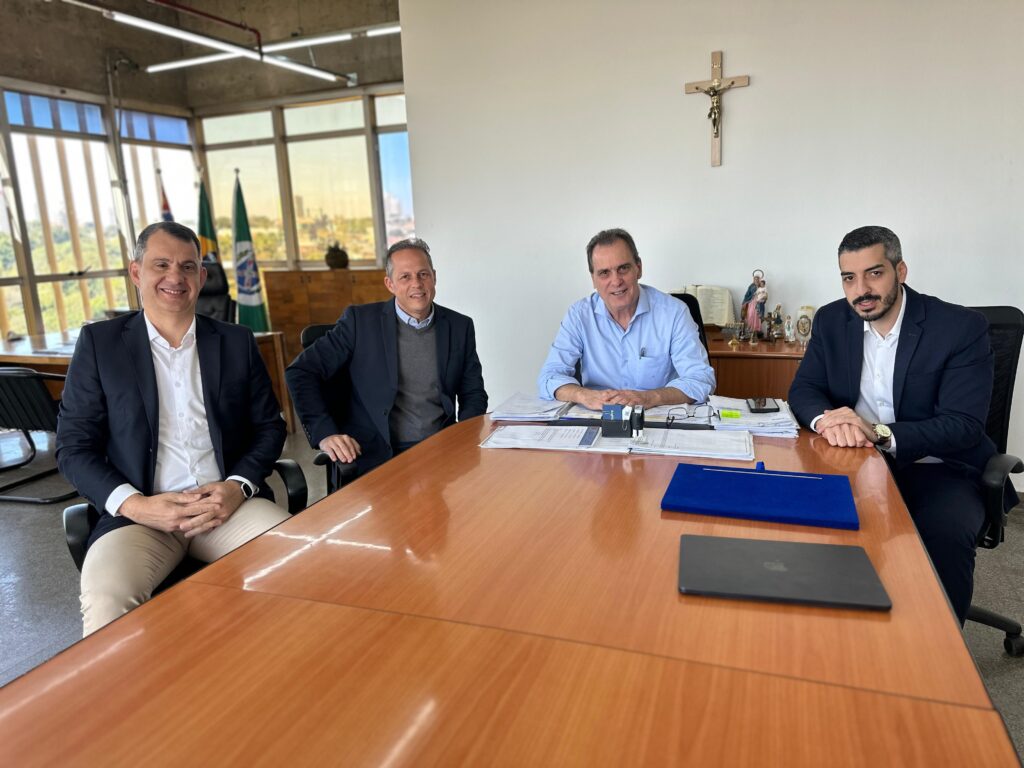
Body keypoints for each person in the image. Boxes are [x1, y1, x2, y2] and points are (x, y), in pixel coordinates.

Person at [56, 222, 290, 636]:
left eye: (187, 266)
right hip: (141, 515)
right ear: (136, 272)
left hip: (227, 506)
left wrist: (237, 487)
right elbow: (74, 448)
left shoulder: (236, 341)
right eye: (161, 265)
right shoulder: (100, 344)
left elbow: (269, 427)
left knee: (301, 564)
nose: (175, 277)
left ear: (202, 276)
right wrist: (134, 505)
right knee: (108, 599)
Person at [788, 225, 1009, 625]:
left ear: (900, 271)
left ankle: (940, 644)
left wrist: (878, 432)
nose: (861, 290)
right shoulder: (831, 320)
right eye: (849, 278)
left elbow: (963, 425)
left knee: (943, 534)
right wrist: (827, 420)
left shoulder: (959, 327)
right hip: (855, 463)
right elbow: (805, 389)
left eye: (874, 273)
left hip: (940, 467)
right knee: (802, 519)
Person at [286, 237, 488, 476]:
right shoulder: (359, 323)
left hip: (441, 451)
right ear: (389, 284)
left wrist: (463, 437)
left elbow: (473, 393)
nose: (417, 284)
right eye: (405, 277)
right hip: (374, 455)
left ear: (434, 277)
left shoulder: (460, 326)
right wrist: (325, 433)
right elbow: (301, 372)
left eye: (423, 274)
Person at [537, 228, 715, 410]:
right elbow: (549, 377)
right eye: (604, 273)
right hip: (598, 415)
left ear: (638, 268)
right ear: (593, 279)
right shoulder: (579, 315)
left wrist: (649, 397)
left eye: (623, 268)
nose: (616, 281)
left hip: (656, 415)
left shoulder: (674, 312)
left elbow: (701, 380)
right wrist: (584, 395)